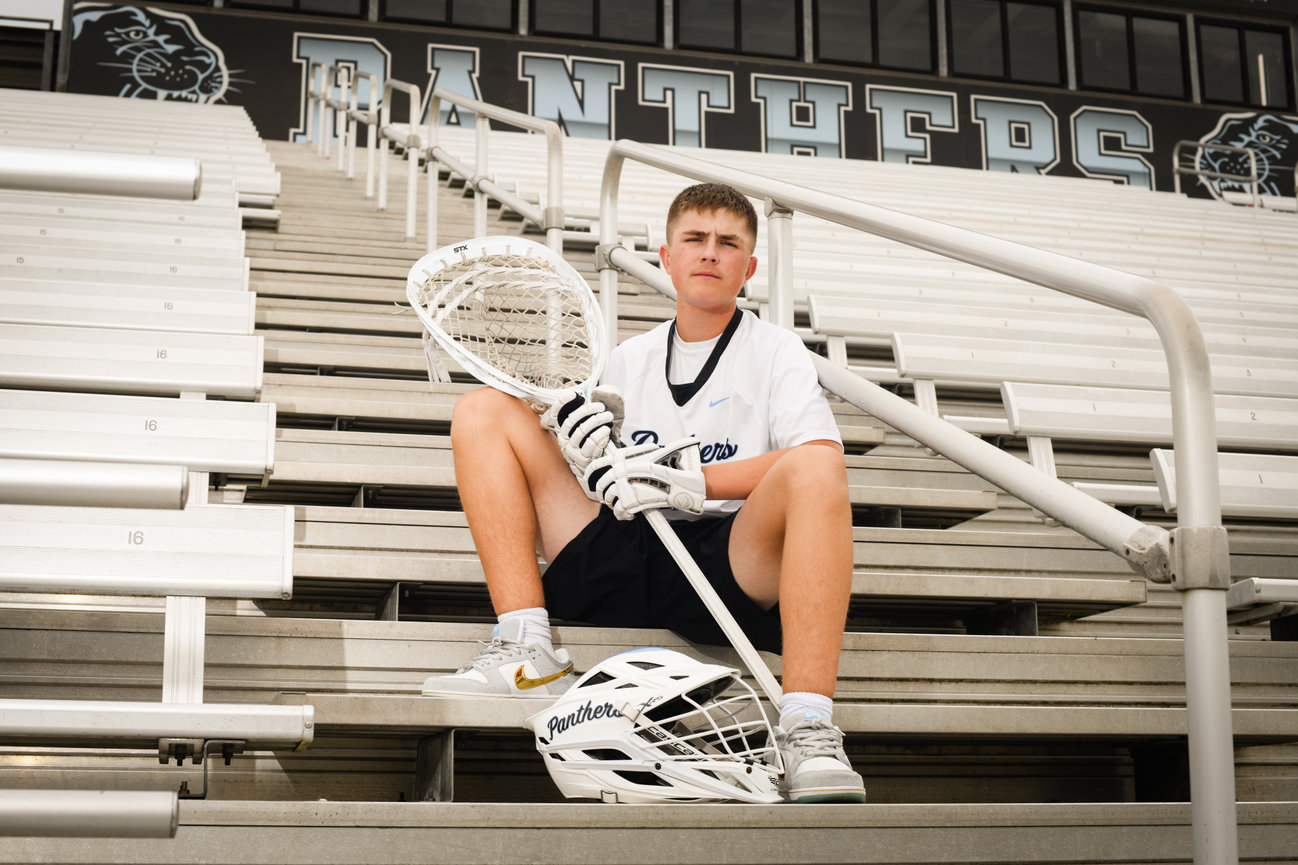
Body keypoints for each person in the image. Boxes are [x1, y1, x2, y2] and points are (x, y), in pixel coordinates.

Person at [423, 182, 865, 803]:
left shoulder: (775, 351)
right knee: (481, 412)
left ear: (749, 266)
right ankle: (526, 645)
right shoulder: (627, 359)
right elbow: (594, 482)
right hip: (627, 543)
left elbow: (815, 456)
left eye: (727, 242)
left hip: (725, 559)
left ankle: (808, 724)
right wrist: (581, 458)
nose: (709, 253)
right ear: (666, 255)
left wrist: (692, 482)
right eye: (695, 239)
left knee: (819, 469)